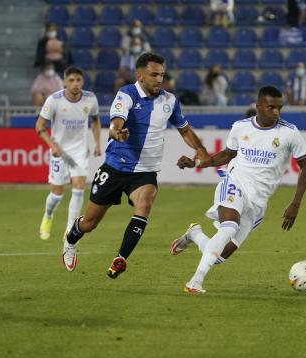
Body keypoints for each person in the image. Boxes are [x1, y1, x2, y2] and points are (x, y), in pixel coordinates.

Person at [60, 53, 210, 277]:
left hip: (145, 172)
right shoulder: (127, 94)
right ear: (139, 76)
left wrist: (200, 149)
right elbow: (115, 123)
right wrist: (117, 132)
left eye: (162, 74)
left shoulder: (169, 100)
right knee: (90, 223)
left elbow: (185, 129)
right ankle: (70, 241)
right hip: (115, 168)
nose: (160, 79)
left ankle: (120, 259)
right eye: (154, 75)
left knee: (145, 205)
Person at [170, 85, 306, 293]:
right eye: (271, 107)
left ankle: (195, 234)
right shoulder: (241, 127)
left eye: (279, 108)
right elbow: (227, 155)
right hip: (234, 183)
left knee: (219, 257)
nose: (276, 112)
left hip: (258, 201)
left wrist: (295, 204)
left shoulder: (290, 133)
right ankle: (195, 281)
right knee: (229, 227)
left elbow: (305, 167)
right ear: (259, 106)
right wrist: (197, 163)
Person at [36, 66, 101, 241]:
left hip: (80, 152)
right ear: (65, 82)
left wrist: (97, 142)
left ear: (83, 81)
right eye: (71, 80)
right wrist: (52, 146)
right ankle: (48, 216)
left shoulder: (90, 99)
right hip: (60, 152)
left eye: (78, 80)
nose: (75, 84)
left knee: (79, 186)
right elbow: (39, 127)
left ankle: (70, 228)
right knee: (57, 194)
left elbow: (95, 119)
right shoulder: (54, 100)